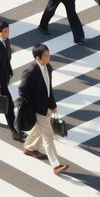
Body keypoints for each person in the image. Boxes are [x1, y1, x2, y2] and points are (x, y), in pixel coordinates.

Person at [18, 44, 70, 175]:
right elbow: (22, 90)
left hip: (46, 106)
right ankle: (56, 165)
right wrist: (33, 104)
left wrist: (52, 104)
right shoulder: (30, 72)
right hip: (38, 108)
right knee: (49, 135)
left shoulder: (48, 67)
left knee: (40, 129)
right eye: (46, 55)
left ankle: (29, 147)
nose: (48, 57)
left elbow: (49, 88)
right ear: (38, 57)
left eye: (48, 54)